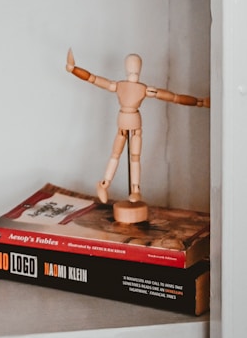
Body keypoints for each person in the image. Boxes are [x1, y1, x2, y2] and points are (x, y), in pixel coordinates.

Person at [66, 49, 209, 216]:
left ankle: (134, 188)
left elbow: (173, 97)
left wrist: (199, 102)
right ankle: (105, 184)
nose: (134, 70)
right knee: (118, 154)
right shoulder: (125, 86)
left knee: (131, 156)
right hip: (125, 121)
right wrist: (73, 69)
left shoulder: (134, 88)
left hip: (134, 122)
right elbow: (94, 79)